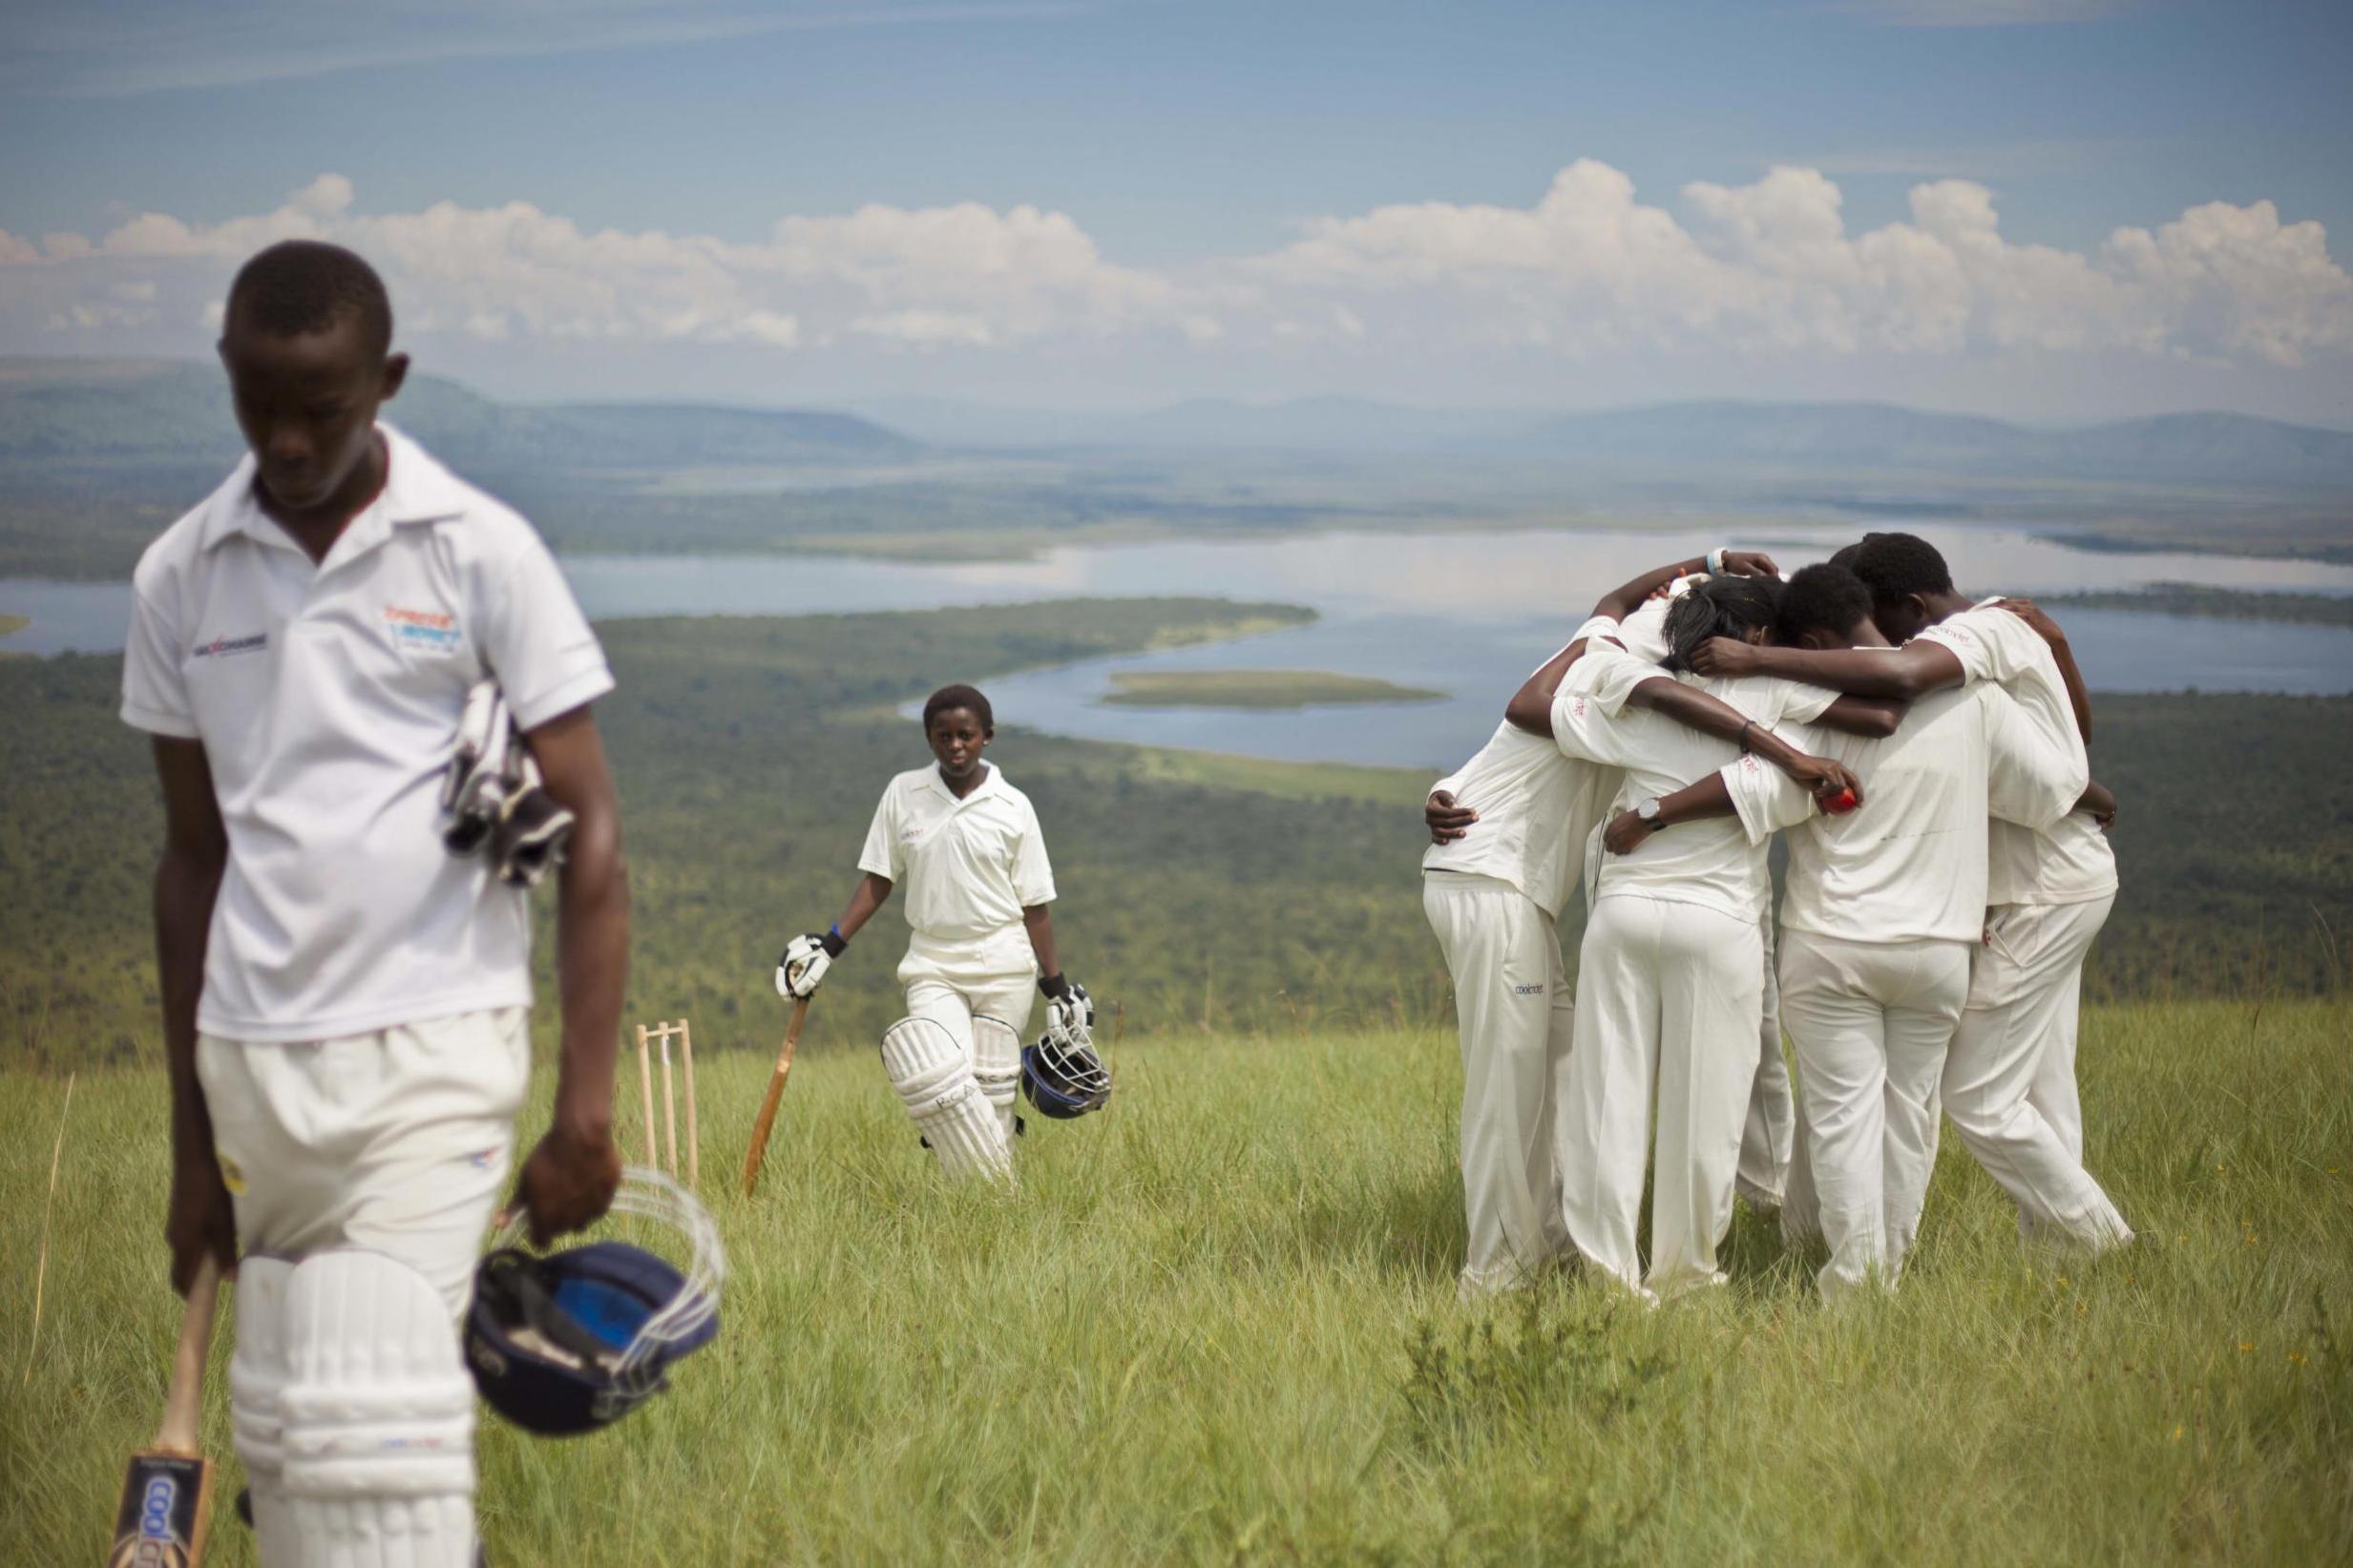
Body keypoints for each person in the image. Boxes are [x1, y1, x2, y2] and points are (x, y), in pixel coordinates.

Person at [124, 241, 627, 1565]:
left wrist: (583, 1110)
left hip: (436, 1054)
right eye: (259, 405)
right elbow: (193, 862)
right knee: (289, 1451)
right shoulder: (178, 576)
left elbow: (593, 834)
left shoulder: (479, 551)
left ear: (387, 381)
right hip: (253, 1072)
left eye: (325, 408)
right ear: (226, 376)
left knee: (377, 1445)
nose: (289, 441)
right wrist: (189, 1146)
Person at [1621, 563, 2098, 1297]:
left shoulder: (1796, 700)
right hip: (1938, 945)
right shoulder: (1967, 694)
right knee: (1909, 1118)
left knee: (1842, 1116)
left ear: (1808, 638)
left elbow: (1756, 782)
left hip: (1830, 938)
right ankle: (1887, 1278)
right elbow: (2057, 789)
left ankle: (1854, 1283)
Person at [1421, 549, 1855, 1294]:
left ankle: (1575, 1263)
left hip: (1577, 904)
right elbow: (1863, 712)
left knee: (1582, 1093)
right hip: (1512, 882)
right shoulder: (1631, 665)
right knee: (1540, 1098)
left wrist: (1701, 568)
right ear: (1753, 632)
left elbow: (1577, 681)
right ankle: (1505, 1274)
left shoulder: (1624, 681)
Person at [1542, 575, 1890, 1300]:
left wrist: (1648, 804)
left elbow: (1550, 710)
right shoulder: (1777, 694)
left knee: (1607, 1101)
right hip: (1717, 921)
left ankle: (1606, 1273)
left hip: (1624, 912)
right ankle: (1685, 1277)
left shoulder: (1631, 687)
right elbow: (1878, 714)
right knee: (1705, 1113)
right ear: (1756, 637)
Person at [779, 683, 1083, 1181]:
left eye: (966, 735)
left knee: (994, 1093)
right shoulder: (905, 793)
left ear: (987, 736)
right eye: (943, 736)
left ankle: (988, 1214)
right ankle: (972, 1181)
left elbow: (1036, 906)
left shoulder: (1013, 806)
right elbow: (879, 877)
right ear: (928, 738)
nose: (955, 746)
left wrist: (1058, 988)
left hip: (1005, 964)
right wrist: (829, 945)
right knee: (943, 1079)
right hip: (933, 963)